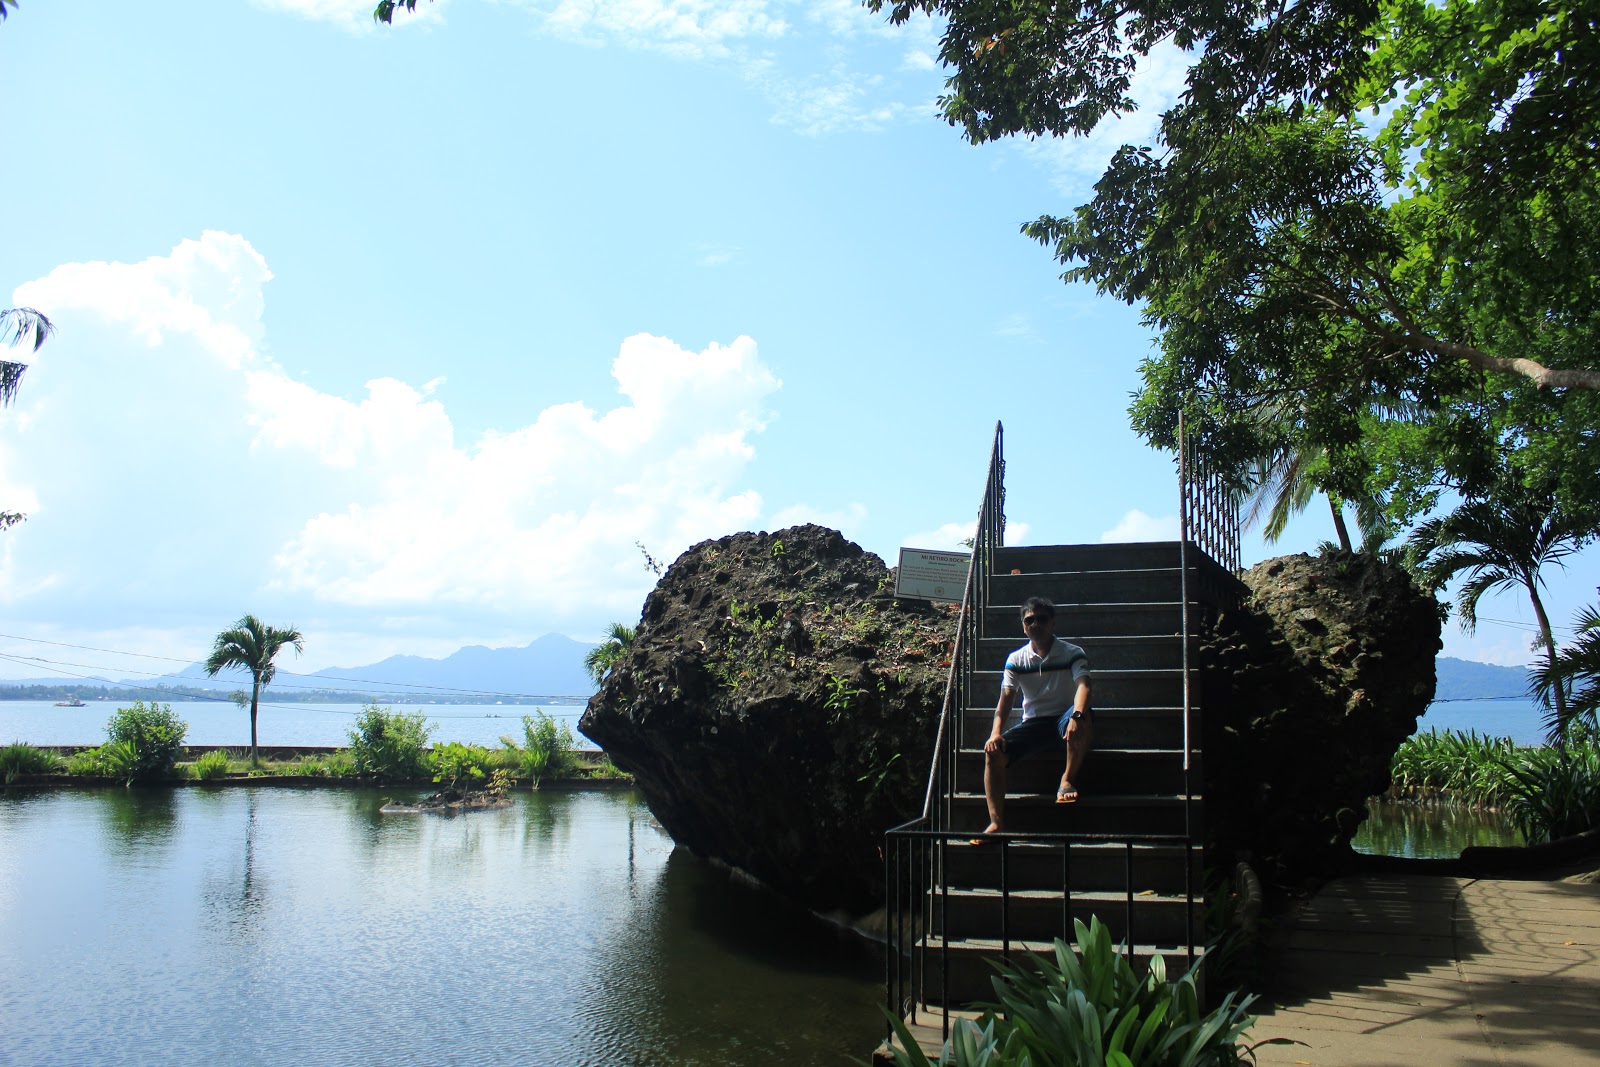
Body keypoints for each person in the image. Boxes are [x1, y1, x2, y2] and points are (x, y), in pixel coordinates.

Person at [980, 596, 1093, 835]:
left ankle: (1066, 780)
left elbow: (1084, 685)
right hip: (1034, 723)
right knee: (993, 753)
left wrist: (1078, 715)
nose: (1036, 625)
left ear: (1052, 623)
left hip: (1064, 717)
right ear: (1023, 627)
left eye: (1042, 619)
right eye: (1029, 620)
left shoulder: (1072, 652)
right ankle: (996, 822)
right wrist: (995, 734)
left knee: (1083, 715)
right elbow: (1005, 702)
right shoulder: (1016, 659)